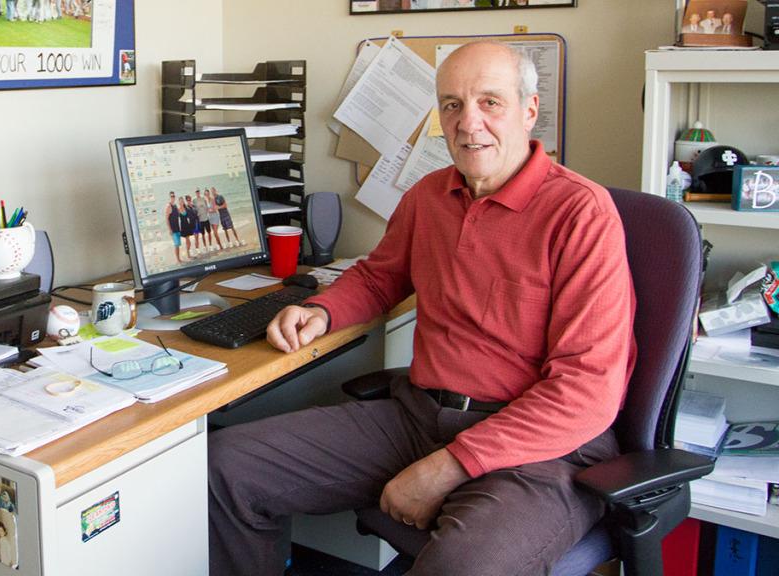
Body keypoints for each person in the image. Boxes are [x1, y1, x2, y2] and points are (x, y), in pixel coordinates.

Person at [208, 41, 636, 576]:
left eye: (490, 102)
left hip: (540, 449)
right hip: (420, 416)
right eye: (452, 105)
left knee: (462, 566)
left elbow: (586, 391)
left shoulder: (581, 214)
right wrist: (323, 310)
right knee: (227, 466)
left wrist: (451, 465)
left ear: (529, 110)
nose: (468, 122)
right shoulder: (429, 195)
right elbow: (380, 276)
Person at [164, 191, 183, 263]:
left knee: (178, 245)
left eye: (174, 196)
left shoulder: (175, 205)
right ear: (169, 197)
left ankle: (179, 259)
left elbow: (180, 212)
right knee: (176, 244)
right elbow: (166, 219)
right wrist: (170, 230)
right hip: (173, 229)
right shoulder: (168, 206)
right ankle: (178, 260)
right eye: (171, 196)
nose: (173, 197)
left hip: (177, 228)